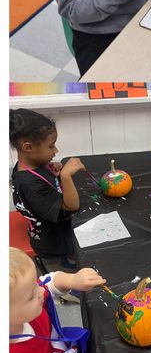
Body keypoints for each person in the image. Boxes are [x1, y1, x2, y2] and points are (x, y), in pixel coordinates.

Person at [9, 247, 103, 353]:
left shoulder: (24, 299)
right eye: (31, 296)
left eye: (35, 284)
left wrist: (71, 279)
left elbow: (48, 282)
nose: (41, 290)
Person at [10, 109, 86, 268]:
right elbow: (71, 206)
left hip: (56, 230)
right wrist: (65, 176)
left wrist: (50, 170)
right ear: (28, 147)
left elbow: (43, 180)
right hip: (54, 243)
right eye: (51, 146)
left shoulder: (29, 165)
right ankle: (67, 265)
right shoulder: (30, 185)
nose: (56, 151)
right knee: (71, 265)